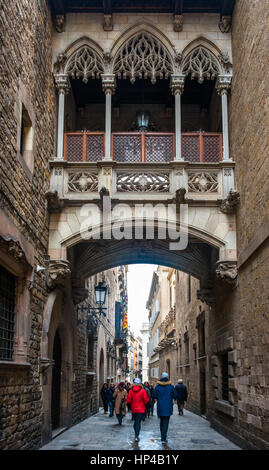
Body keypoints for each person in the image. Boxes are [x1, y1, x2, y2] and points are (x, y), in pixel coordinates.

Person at [152, 372, 177, 444]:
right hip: (168, 407)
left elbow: (154, 395)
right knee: (166, 422)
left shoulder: (158, 387)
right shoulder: (171, 386)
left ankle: (162, 436)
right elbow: (175, 395)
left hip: (160, 406)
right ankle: (163, 437)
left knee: (161, 422)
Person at [127, 378, 149, 442]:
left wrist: (131, 403)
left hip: (134, 409)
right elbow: (146, 400)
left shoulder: (131, 391)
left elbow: (128, 401)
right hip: (141, 409)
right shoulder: (143, 391)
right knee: (138, 422)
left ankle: (136, 434)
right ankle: (137, 435)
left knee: (135, 422)